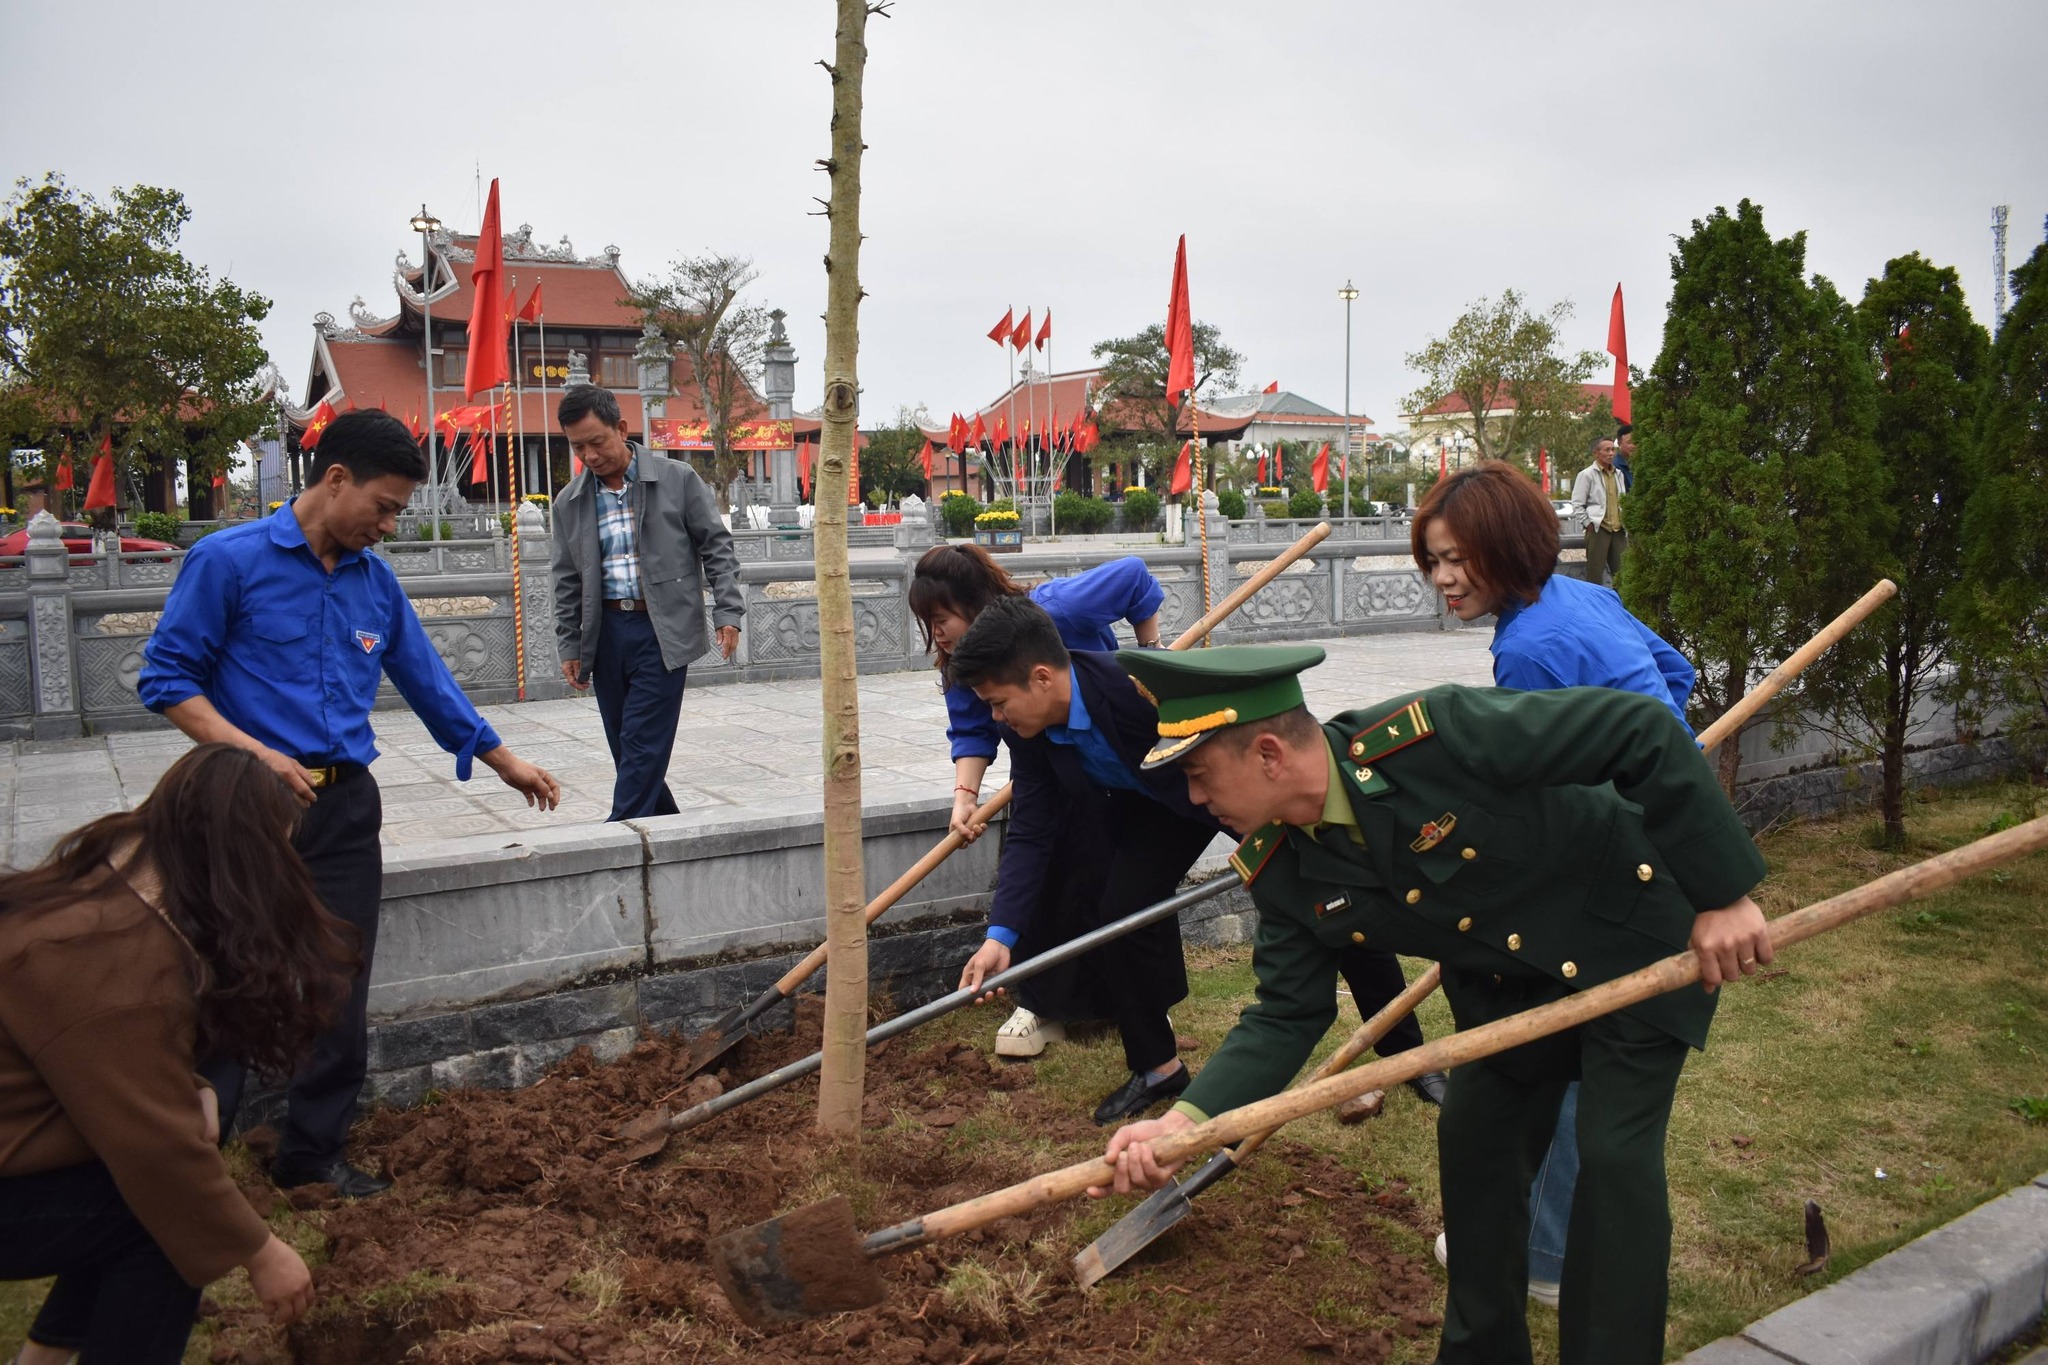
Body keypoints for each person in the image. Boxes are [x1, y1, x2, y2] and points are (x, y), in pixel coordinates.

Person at [1095, 645, 1772, 1365]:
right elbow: (1284, 1012)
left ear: (1267, 753)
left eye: (1200, 775)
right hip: (1507, 987)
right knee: (1474, 1139)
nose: (1195, 800)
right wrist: (1186, 1120)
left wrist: (1722, 893)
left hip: (1630, 935)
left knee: (1612, 1161)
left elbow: (1637, 728)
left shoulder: (1434, 737)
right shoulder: (1281, 864)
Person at [137, 408, 562, 1198]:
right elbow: (167, 682)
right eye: (386, 506)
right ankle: (192, 1160)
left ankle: (313, 1153)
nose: (391, 525)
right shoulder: (228, 562)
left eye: (399, 511)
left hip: (343, 808)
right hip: (247, 809)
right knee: (231, 973)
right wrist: (256, 753)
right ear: (336, 480)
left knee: (339, 978)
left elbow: (426, 679)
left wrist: (505, 760)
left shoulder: (376, 583)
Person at [1414, 459, 1697, 1303]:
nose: (1445, 578)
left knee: (1579, 1037)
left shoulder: (1529, 649)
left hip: (1626, 860)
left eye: (1461, 557)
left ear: (1508, 544)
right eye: (1433, 559)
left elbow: (1545, 795)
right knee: (1583, 1037)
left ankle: (1543, 1254)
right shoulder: (1581, 596)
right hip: (1666, 827)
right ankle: (1545, 1234)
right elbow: (1673, 678)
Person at [2, 744, 358, 1363]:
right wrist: (262, 1253)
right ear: (240, 854)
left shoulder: (106, 889)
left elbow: (104, 1077)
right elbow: (153, 1152)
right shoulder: (112, 960)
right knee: (169, 1216)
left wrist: (194, 1091)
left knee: (166, 1185)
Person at [946, 596, 1216, 1124]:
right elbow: (1031, 829)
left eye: (999, 703)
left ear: (1042, 678)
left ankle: (1405, 1051)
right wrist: (1001, 937)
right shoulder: (1028, 728)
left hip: (1216, 785)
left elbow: (1221, 754)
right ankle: (1159, 1069)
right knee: (1117, 913)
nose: (996, 717)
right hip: (1148, 807)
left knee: (1315, 894)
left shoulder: (1137, 690)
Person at [909, 544, 1164, 1059]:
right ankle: (1045, 1002)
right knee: (1041, 869)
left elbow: (1136, 578)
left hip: (1121, 748)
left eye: (942, 617)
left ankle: (1125, 1008)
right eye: (927, 622)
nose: (937, 632)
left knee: (1119, 887)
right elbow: (973, 730)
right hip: (1048, 767)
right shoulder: (966, 665)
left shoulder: (1057, 608)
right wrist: (965, 796)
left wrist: (1153, 659)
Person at [550, 385, 744, 821]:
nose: (590, 455)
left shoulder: (678, 480)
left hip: (663, 629)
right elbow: (565, 579)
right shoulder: (570, 502)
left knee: (640, 740)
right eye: (578, 447)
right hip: (604, 634)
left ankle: (616, 833)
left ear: (621, 428)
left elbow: (717, 547)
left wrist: (727, 610)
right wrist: (569, 644)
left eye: (597, 442)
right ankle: (668, 826)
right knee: (626, 743)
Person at [1569, 436, 1626, 586]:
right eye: (1606, 450)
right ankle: (1593, 607)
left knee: (1622, 574)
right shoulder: (1587, 475)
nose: (1611, 453)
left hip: (1618, 530)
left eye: (1613, 450)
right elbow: (1577, 503)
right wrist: (1588, 523)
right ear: (1596, 453)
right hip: (1598, 529)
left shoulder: (1618, 474)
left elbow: (1623, 500)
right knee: (1594, 576)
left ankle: (1620, 606)